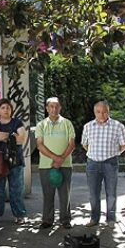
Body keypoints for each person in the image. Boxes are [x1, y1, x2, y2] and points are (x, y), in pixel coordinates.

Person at [82, 100, 125, 226]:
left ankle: (111, 219)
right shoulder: (88, 126)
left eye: (104, 112)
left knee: (111, 193)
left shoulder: (118, 126)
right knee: (93, 193)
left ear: (108, 112)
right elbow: (84, 144)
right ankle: (94, 218)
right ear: (94, 112)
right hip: (92, 163)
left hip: (110, 162)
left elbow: (124, 144)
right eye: (98, 112)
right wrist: (94, 153)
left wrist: (115, 153)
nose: (101, 115)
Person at [35, 97, 76, 229]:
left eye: (56, 106)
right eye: (51, 106)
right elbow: (40, 145)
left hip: (65, 165)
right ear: (47, 109)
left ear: (60, 108)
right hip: (46, 165)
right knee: (48, 194)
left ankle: (65, 219)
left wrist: (61, 159)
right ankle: (47, 220)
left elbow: (72, 144)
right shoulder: (41, 125)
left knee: (65, 195)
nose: (54, 109)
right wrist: (55, 158)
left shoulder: (67, 123)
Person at [0, 98, 28, 225]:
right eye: (3, 107)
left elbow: (21, 139)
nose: (6, 110)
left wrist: (4, 136)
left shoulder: (17, 122)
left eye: (8, 107)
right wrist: (12, 135)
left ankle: (20, 215)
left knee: (16, 189)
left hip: (16, 160)